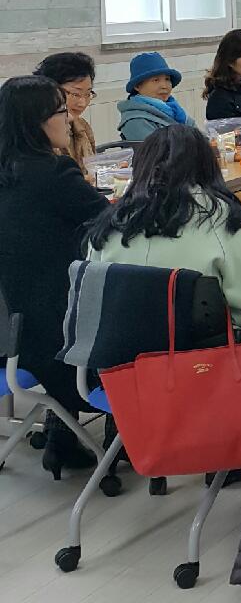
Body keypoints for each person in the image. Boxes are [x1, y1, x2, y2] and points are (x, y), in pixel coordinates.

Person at [0, 76, 110, 478]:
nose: (70, 119)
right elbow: (109, 220)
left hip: (10, 333)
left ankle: (62, 434)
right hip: (56, 336)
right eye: (61, 111)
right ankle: (124, 443)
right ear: (36, 122)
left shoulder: (9, 171)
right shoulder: (52, 172)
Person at [86, 125, 241, 330]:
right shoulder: (220, 215)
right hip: (201, 346)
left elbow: (89, 302)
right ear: (208, 165)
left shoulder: (112, 219)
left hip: (121, 345)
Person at [33, 51, 98, 178]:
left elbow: (92, 171)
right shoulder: (37, 134)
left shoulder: (82, 127)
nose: (82, 103)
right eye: (75, 94)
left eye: (87, 94)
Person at [117, 51, 195, 141]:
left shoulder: (176, 110)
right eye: (156, 80)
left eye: (167, 79)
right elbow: (158, 149)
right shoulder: (135, 120)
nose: (164, 86)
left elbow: (202, 139)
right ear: (137, 86)